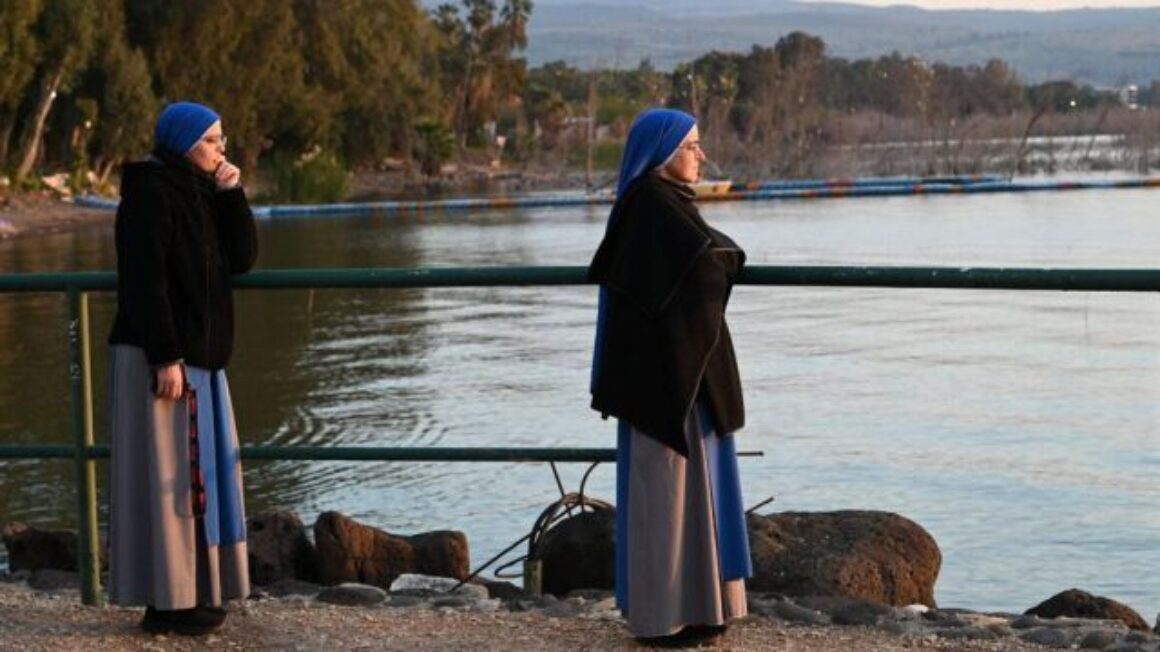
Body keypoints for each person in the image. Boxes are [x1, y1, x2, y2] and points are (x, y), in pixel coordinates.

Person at [588, 108, 753, 645]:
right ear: (661, 154)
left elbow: (701, 255)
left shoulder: (657, 206)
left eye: (699, 144)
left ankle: (692, 611)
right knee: (671, 493)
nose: (700, 155)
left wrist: (720, 254)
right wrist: (729, 257)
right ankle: (668, 619)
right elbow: (705, 263)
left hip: (672, 377)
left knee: (681, 494)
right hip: (667, 385)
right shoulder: (653, 209)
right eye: (691, 146)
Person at [107, 101, 258, 635]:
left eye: (222, 139)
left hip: (203, 364)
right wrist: (165, 355)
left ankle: (192, 593)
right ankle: (166, 605)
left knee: (197, 484)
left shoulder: (201, 192)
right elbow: (144, 282)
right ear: (185, 142)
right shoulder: (150, 192)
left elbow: (242, 259)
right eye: (213, 140)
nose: (222, 149)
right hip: (164, 360)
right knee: (167, 482)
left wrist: (232, 194)